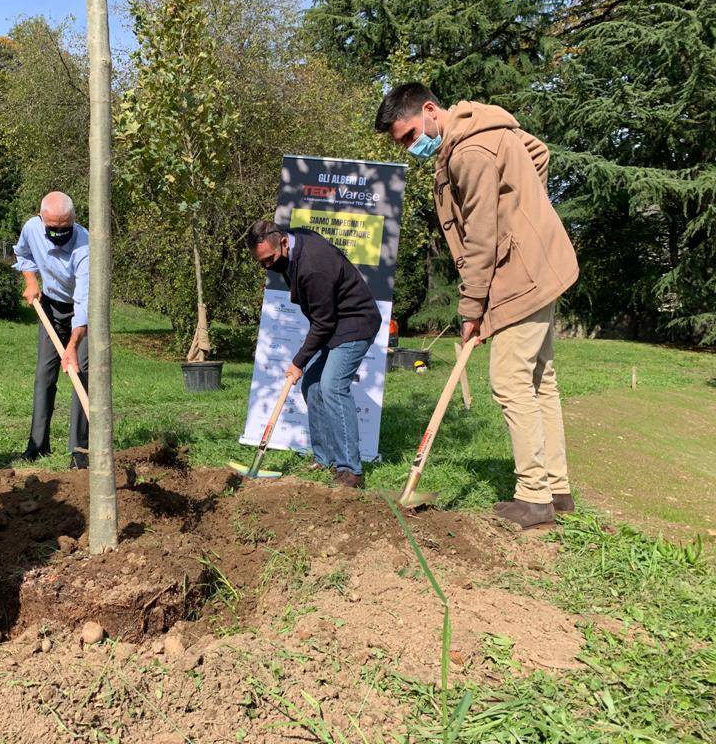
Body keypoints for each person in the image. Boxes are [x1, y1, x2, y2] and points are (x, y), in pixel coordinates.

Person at [375, 82, 580, 529]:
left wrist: (472, 310)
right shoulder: (488, 124)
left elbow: (482, 241)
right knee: (540, 380)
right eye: (403, 143)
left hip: (520, 275)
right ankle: (557, 489)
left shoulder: (468, 153)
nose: (411, 147)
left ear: (430, 111)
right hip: (541, 265)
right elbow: (538, 153)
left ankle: (534, 497)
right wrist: (524, 209)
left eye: (411, 135)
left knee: (509, 382)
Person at [245, 220, 381, 488]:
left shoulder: (314, 265)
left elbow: (323, 323)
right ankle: (325, 457)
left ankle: (350, 471)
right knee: (313, 385)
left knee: (332, 387)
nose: (267, 267)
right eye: (260, 262)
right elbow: (323, 321)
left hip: (355, 323)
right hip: (335, 325)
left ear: (283, 243)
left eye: (269, 259)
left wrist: (298, 362)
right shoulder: (293, 246)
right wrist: (303, 366)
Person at [13, 192, 90, 469]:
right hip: (50, 306)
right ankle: (37, 445)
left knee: (80, 375)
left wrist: (72, 345)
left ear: (73, 221)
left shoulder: (85, 247)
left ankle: (80, 450)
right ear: (41, 218)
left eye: (64, 228)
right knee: (44, 377)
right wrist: (31, 281)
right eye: (53, 228)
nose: (59, 233)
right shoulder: (31, 229)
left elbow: (83, 301)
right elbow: (22, 253)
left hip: (81, 313)